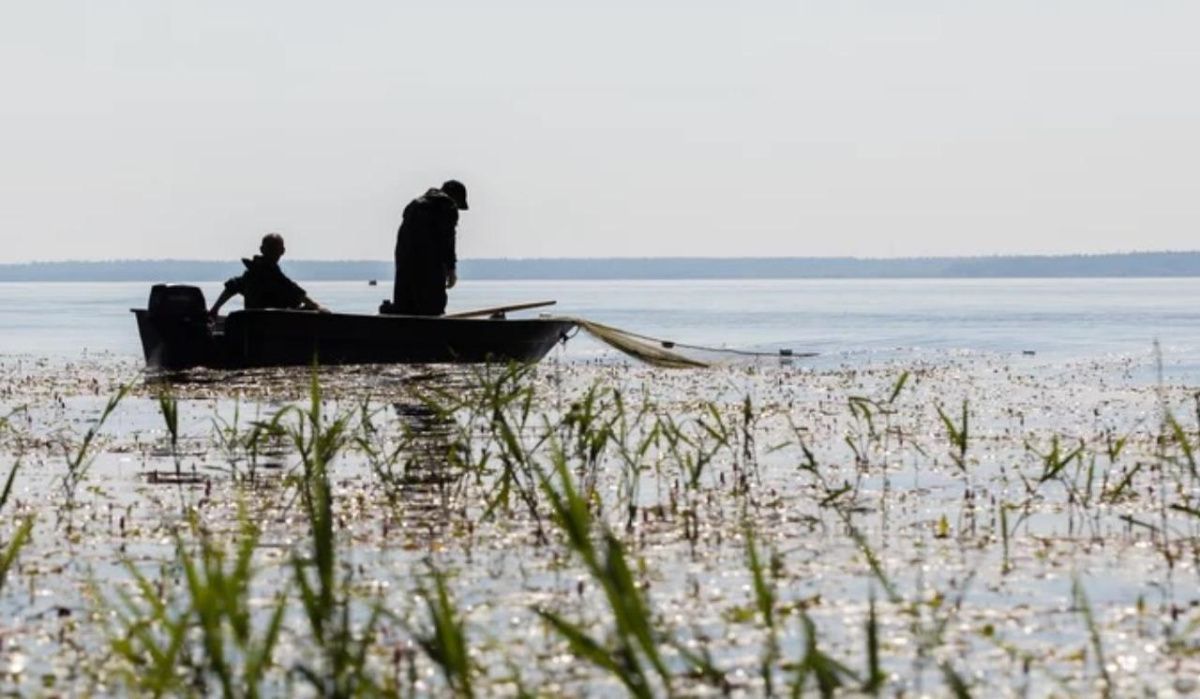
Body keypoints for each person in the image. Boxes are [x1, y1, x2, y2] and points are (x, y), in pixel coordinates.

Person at [385, 179, 468, 316]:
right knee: (433, 304)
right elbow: (447, 240)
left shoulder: (414, 204)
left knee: (405, 302)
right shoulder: (447, 205)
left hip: (404, 256)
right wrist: (451, 269)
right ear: (456, 197)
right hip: (428, 259)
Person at [208, 233, 327, 318]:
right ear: (262, 249)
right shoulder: (269, 277)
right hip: (270, 328)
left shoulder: (251, 275)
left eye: (275, 249)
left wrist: (215, 309)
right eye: (271, 248)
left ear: (282, 251)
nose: (273, 252)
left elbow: (231, 287)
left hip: (256, 327)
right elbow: (297, 293)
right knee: (310, 310)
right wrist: (317, 307)